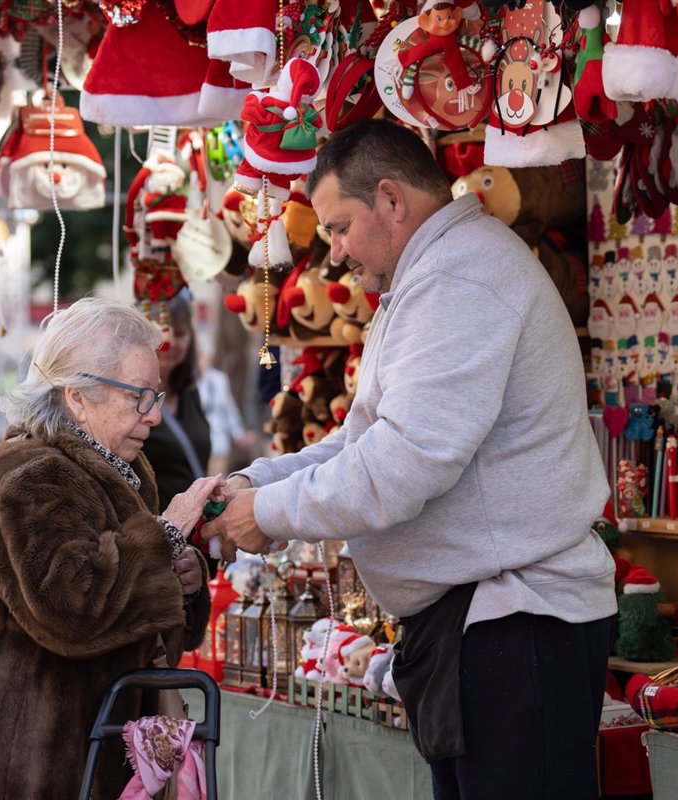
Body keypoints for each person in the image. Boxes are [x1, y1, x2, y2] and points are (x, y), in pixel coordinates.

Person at [204, 119, 617, 800]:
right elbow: (368, 441)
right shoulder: (433, 275)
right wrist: (253, 482)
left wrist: (269, 514)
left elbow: (403, 463)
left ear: (392, 200)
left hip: (517, 627)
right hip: (487, 623)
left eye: (338, 227)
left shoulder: (461, 277)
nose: (333, 254)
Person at [0, 298, 220, 800]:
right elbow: (71, 612)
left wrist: (182, 577)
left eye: (155, 395)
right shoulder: (26, 477)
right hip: (7, 771)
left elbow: (142, 633)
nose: (154, 415)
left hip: (84, 763)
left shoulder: (123, 471)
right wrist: (166, 535)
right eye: (139, 396)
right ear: (76, 398)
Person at [141, 292, 212, 509]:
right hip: (157, 529)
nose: (169, 342)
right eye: (161, 331)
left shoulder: (190, 394)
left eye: (180, 333)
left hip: (196, 529)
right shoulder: (131, 401)